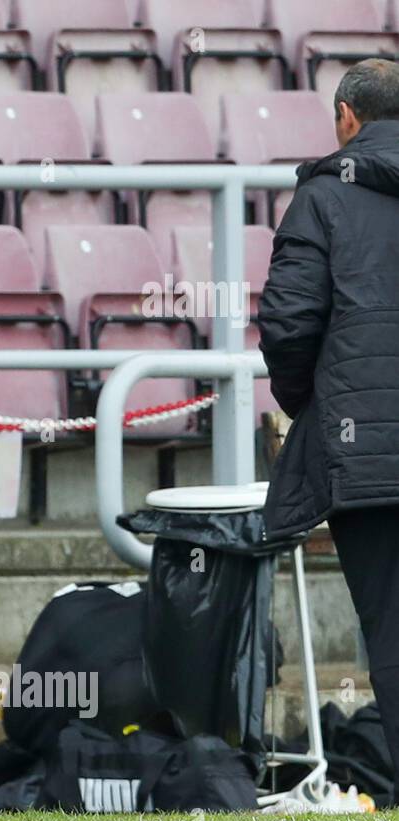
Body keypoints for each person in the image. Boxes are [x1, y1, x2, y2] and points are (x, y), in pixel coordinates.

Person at [259, 58, 399, 782]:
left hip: (367, 457)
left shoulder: (323, 196)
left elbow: (288, 323)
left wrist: (308, 407)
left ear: (347, 117)